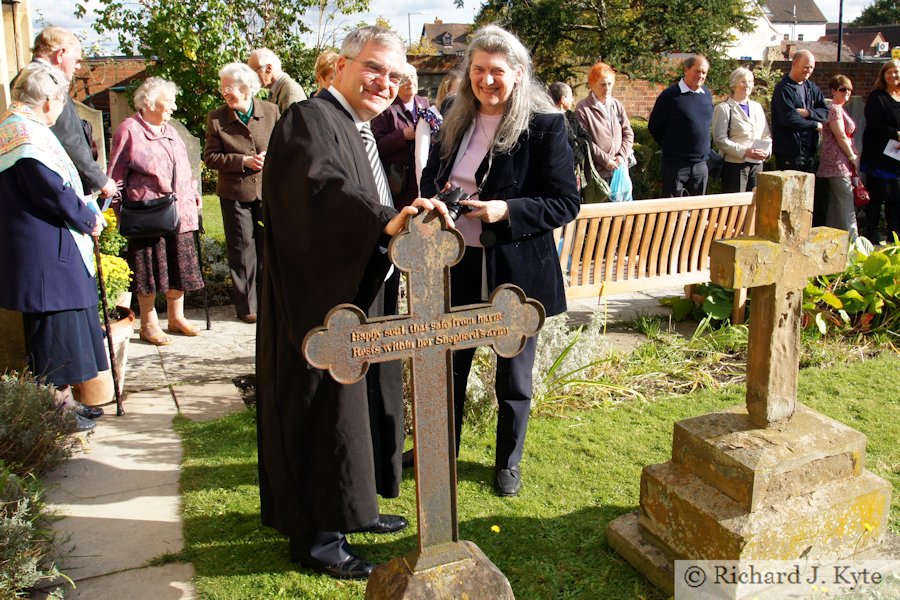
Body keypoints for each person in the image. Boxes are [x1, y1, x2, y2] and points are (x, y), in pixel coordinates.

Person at [257, 26, 451, 579]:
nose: (383, 82)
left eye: (394, 76)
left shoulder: (357, 126)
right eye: (373, 68)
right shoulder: (308, 119)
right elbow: (321, 192)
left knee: (362, 404)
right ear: (338, 66)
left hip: (358, 289)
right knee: (325, 409)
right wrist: (379, 221)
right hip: (318, 298)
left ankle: (356, 507)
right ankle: (319, 537)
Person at [420, 25, 580, 497]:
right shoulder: (454, 112)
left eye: (496, 72)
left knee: (512, 373)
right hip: (456, 261)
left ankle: (507, 461)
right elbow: (433, 176)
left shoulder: (545, 124)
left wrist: (507, 210)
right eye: (477, 71)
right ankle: (438, 448)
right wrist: (438, 201)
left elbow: (565, 203)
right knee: (450, 362)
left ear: (519, 73)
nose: (486, 80)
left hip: (516, 266)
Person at [0, 63, 107, 432]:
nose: (62, 107)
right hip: (44, 252)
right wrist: (88, 217)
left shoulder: (19, 127)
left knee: (64, 326)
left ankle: (66, 404)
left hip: (47, 246)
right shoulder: (24, 136)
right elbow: (50, 190)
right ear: (47, 100)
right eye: (61, 100)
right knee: (54, 333)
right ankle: (57, 412)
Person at [108, 77, 204, 345]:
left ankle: (176, 318)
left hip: (179, 211)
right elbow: (115, 176)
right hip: (147, 213)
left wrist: (194, 194)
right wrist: (119, 211)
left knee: (178, 265)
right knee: (148, 269)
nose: (173, 106)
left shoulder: (170, 130)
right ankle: (148, 324)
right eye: (169, 101)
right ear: (149, 102)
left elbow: (184, 168)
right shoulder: (128, 130)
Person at [203, 63, 280, 324]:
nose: (224, 92)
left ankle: (270, 301)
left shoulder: (271, 111)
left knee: (269, 246)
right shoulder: (216, 118)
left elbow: (284, 145)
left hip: (267, 190)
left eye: (229, 88)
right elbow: (210, 157)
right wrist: (242, 161)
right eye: (222, 87)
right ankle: (247, 308)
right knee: (242, 249)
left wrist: (273, 157)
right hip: (235, 192)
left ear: (246, 87)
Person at [29, 26, 117, 201]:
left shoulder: (31, 77)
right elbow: (68, 138)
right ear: (61, 53)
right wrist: (100, 179)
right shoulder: (44, 82)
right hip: (58, 186)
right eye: (76, 60)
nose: (77, 67)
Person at [648, 54, 713, 197]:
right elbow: (654, 126)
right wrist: (671, 146)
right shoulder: (670, 96)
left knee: (697, 213)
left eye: (704, 72)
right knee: (673, 212)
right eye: (698, 71)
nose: (701, 75)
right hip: (676, 165)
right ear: (686, 70)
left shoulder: (706, 95)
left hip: (701, 165)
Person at [371, 62, 430, 209]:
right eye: (405, 78)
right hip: (398, 183)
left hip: (423, 177)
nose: (410, 82)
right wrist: (402, 135)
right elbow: (376, 146)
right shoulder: (385, 108)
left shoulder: (424, 103)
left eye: (413, 77)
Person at [712, 66, 771, 193]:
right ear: (733, 84)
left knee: (755, 204)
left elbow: (766, 135)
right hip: (735, 166)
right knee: (736, 208)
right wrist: (745, 151)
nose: (747, 85)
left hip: (757, 165)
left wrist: (766, 152)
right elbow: (720, 140)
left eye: (750, 81)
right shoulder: (724, 108)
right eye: (743, 81)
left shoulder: (757, 107)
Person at [816, 75, 860, 243]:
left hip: (842, 162)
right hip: (837, 161)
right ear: (833, 91)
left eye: (849, 89)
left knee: (836, 204)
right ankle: (855, 244)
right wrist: (852, 156)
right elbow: (840, 135)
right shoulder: (834, 109)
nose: (846, 92)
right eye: (842, 89)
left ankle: (830, 241)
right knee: (846, 202)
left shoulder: (840, 109)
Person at [860, 59, 900, 244]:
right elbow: (875, 124)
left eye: (896, 72)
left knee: (896, 200)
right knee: (876, 198)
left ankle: (894, 237)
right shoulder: (877, 97)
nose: (893, 75)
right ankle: (872, 236)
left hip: (897, 160)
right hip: (879, 158)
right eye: (889, 72)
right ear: (883, 75)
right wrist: (897, 135)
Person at [575, 62, 634, 182]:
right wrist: (606, 160)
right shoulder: (583, 108)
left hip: (619, 171)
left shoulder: (616, 105)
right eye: (602, 85)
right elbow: (585, 141)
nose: (607, 88)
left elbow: (628, 133)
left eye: (609, 84)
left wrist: (621, 156)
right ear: (592, 85)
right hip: (597, 174)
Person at [771, 50, 827, 173]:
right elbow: (789, 119)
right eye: (806, 67)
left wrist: (808, 113)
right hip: (790, 152)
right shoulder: (783, 88)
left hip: (810, 151)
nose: (809, 71)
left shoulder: (811, 88)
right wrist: (814, 124)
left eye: (812, 67)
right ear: (795, 63)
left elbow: (824, 112)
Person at [548, 81, 590, 183]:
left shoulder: (571, 117)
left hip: (573, 172)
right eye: (571, 96)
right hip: (557, 176)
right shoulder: (548, 121)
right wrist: (577, 145)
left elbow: (587, 139)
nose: (573, 101)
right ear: (563, 99)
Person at [247, 48, 308, 112]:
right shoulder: (276, 89)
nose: (252, 77)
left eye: (254, 72)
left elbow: (293, 121)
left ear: (268, 68)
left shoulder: (290, 91)